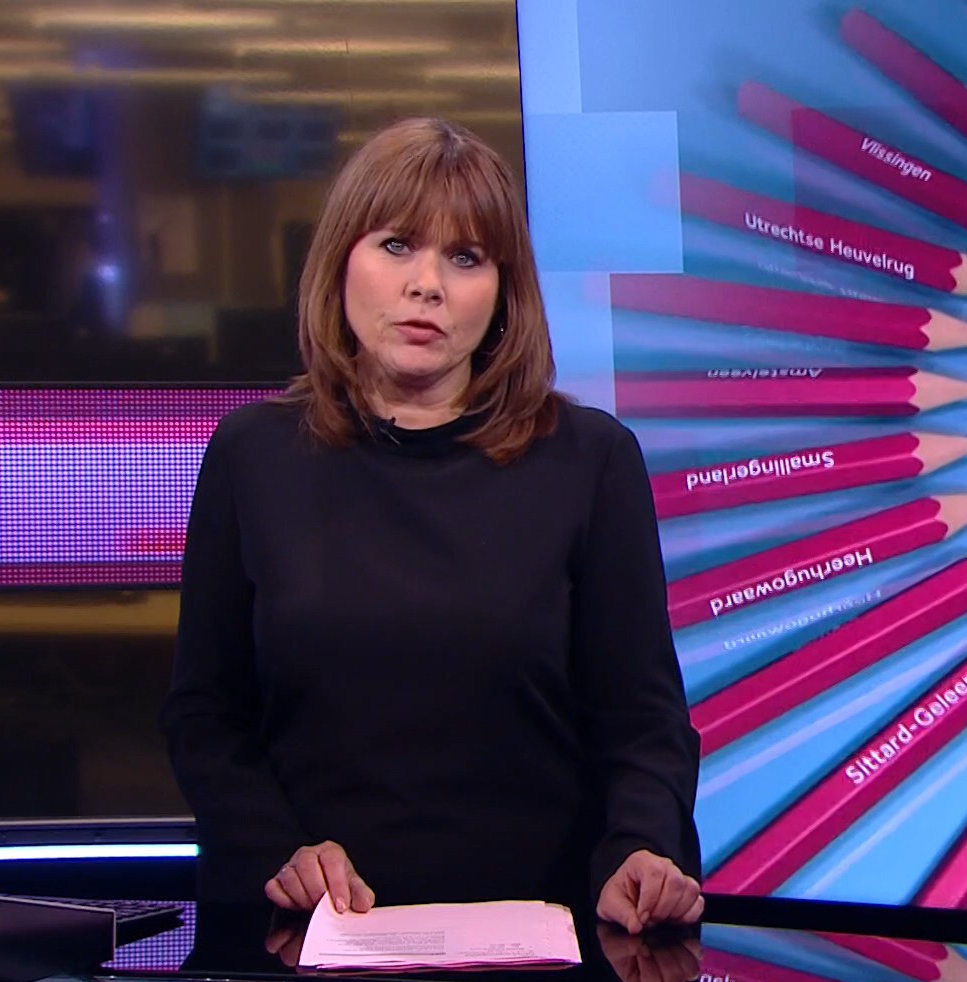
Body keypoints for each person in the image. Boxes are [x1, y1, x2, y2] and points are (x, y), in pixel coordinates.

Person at [159, 117, 703, 934]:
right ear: (340, 261)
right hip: (306, 939)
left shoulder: (590, 462)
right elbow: (205, 714)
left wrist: (641, 845)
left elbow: (641, 720)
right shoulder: (253, 455)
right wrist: (277, 850)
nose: (427, 285)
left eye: (466, 257)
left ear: (505, 291)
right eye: (397, 245)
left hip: (537, 939)